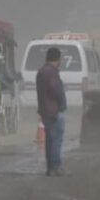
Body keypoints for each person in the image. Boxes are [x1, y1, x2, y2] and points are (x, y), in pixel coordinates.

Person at [36, 47, 67, 176]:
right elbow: (56, 90)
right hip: (54, 111)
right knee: (56, 140)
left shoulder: (41, 72)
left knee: (49, 140)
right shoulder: (52, 72)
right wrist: (63, 103)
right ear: (58, 59)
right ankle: (56, 167)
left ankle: (50, 167)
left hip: (44, 111)